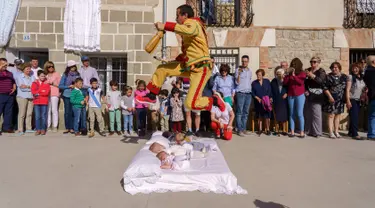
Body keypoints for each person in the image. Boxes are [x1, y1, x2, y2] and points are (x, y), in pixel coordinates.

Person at [136, 4, 225, 114]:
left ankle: (215, 100)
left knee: (190, 104)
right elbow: (188, 52)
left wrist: (165, 26)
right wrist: (174, 60)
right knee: (162, 69)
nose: (176, 18)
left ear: (185, 15)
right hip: (189, 65)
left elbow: (188, 30)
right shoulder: (187, 30)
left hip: (201, 68)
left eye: (178, 15)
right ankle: (152, 96)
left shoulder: (193, 23)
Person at [323, 62, 348, 139]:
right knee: (331, 115)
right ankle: (331, 132)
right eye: (333, 67)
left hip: (340, 99)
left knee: (338, 115)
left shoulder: (344, 76)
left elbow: (347, 88)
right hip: (331, 98)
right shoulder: (328, 77)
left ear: (339, 68)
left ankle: (336, 131)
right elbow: (325, 88)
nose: (334, 69)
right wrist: (330, 97)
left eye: (336, 67)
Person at [283, 58, 307, 138]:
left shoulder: (302, 73)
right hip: (291, 95)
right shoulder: (289, 74)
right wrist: (286, 75)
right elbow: (285, 83)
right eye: (292, 64)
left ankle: (302, 132)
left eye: (295, 64)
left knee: (299, 114)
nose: (294, 66)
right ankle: (292, 131)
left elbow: (300, 82)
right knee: (291, 114)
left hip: (300, 95)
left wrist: (294, 76)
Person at [304, 56, 326, 138]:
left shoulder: (321, 71)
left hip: (317, 94)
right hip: (308, 94)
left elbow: (321, 81)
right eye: (311, 62)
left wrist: (312, 76)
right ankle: (308, 130)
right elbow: (305, 82)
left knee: (316, 114)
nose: (312, 63)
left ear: (318, 63)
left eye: (314, 62)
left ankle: (317, 132)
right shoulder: (308, 70)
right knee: (308, 113)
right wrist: (305, 90)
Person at [59, 60, 81, 134]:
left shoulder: (78, 74)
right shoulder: (65, 75)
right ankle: (67, 127)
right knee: (67, 112)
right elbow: (60, 85)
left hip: (75, 95)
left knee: (73, 112)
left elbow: (80, 84)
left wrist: (75, 86)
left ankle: (72, 128)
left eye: (74, 66)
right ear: (68, 67)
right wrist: (68, 86)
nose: (73, 68)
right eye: (71, 66)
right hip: (67, 95)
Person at [346, 63, 366, 140]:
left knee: (354, 115)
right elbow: (347, 90)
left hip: (359, 99)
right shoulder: (350, 77)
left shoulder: (361, 77)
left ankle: (351, 132)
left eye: (356, 68)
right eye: (353, 68)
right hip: (352, 99)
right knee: (355, 117)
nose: (355, 69)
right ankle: (355, 134)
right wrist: (348, 101)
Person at [15, 63, 35, 135]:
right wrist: (30, 87)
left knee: (29, 113)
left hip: (31, 96)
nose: (29, 70)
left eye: (30, 68)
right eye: (27, 68)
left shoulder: (32, 77)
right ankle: (20, 129)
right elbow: (21, 88)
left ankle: (28, 128)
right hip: (22, 96)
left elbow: (35, 86)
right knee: (22, 114)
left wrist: (27, 86)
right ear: (23, 69)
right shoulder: (19, 77)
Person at [235, 55, 252, 136]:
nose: (244, 63)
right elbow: (237, 82)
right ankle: (239, 130)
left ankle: (244, 129)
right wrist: (238, 74)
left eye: (246, 61)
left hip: (248, 93)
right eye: (243, 61)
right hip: (240, 93)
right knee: (239, 112)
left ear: (248, 62)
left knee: (246, 112)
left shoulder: (250, 71)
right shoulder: (238, 70)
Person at [252, 69, 272, 136]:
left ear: (262, 75)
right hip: (258, 102)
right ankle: (260, 129)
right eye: (257, 75)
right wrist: (257, 98)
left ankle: (268, 129)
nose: (258, 76)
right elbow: (252, 93)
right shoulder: (254, 83)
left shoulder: (267, 81)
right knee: (260, 116)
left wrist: (269, 98)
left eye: (259, 75)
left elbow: (270, 90)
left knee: (267, 116)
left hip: (266, 101)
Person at [31, 70, 51, 136]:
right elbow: (33, 92)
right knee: (37, 116)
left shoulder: (46, 83)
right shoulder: (34, 83)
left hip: (44, 102)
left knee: (43, 116)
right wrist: (41, 90)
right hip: (36, 102)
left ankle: (43, 129)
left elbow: (46, 92)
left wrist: (39, 92)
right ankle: (38, 129)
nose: (43, 77)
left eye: (44, 76)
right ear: (38, 76)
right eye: (41, 76)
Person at [0, 58, 16, 134]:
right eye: (3, 63)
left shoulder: (9, 73)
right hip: (1, 95)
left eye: (6, 63)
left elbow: (13, 81)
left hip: (9, 95)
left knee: (8, 112)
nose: (5, 65)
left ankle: (6, 128)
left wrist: (14, 87)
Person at [271, 68, 288, 136]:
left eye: (280, 74)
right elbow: (271, 90)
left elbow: (289, 88)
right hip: (276, 99)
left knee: (284, 115)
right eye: (278, 74)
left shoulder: (286, 80)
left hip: (284, 99)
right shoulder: (274, 81)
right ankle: (277, 129)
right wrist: (270, 97)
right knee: (276, 115)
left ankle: (284, 130)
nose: (279, 75)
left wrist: (287, 93)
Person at [44, 61, 61, 132]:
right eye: (49, 67)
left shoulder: (57, 74)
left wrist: (52, 83)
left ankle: (55, 126)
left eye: (52, 66)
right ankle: (48, 126)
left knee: (54, 110)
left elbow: (60, 85)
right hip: (46, 94)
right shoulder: (45, 75)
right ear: (46, 68)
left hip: (54, 93)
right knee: (48, 110)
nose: (51, 68)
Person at [363, 56, 375, 139]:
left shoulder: (366, 72)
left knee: (372, 116)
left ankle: (371, 134)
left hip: (371, 96)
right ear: (374, 61)